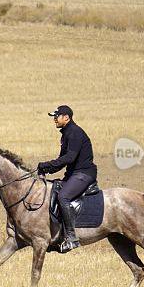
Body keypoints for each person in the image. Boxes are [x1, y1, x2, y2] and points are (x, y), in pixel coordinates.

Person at [36, 105, 98, 253]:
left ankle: (71, 238)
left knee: (63, 196)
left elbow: (69, 158)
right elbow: (62, 160)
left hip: (84, 174)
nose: (54, 120)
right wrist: (46, 169)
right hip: (73, 174)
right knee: (53, 191)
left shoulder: (75, 132)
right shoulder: (66, 133)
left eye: (56, 116)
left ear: (66, 117)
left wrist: (48, 165)